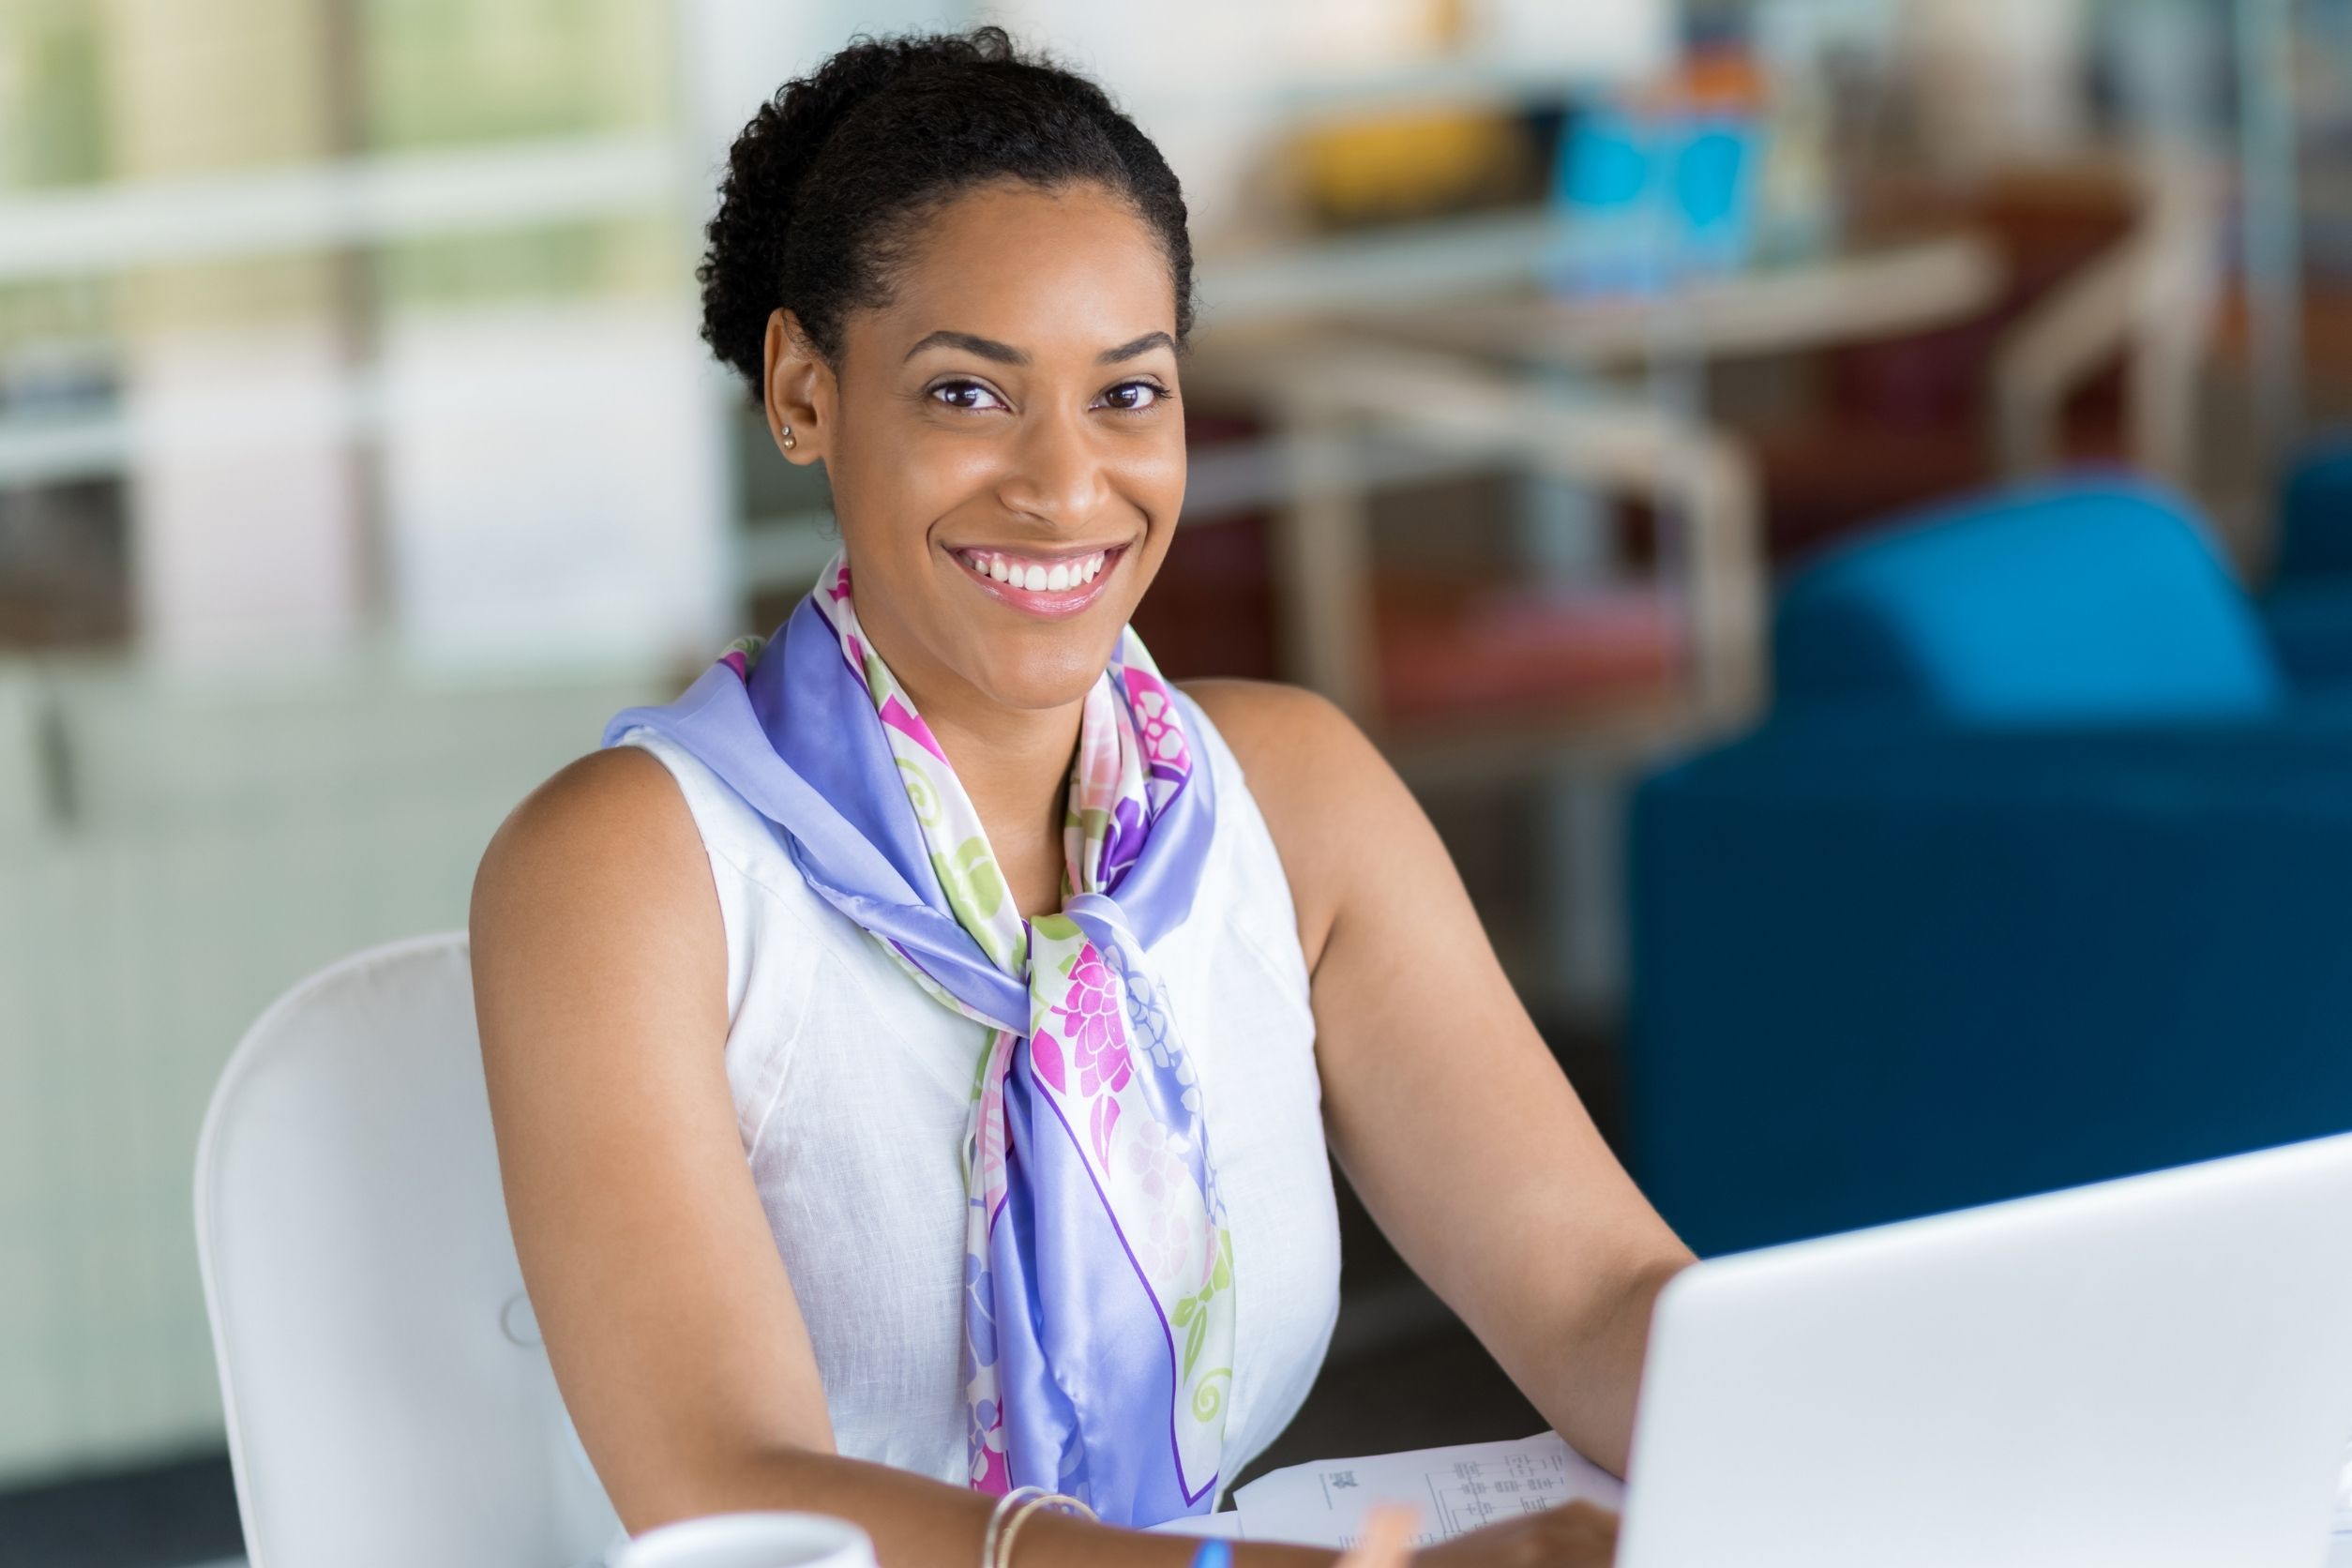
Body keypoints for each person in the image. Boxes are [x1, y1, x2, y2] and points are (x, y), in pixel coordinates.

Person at [467, 26, 1691, 1568]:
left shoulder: (1292, 803)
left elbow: (1593, 1295)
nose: (1065, 487)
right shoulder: (625, 873)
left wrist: (1880, 1442)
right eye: (970, 396)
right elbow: (737, 1499)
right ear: (801, 392)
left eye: (1129, 396)